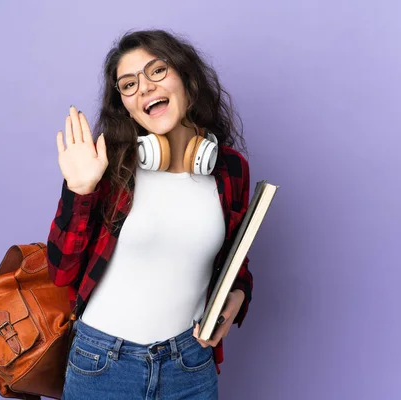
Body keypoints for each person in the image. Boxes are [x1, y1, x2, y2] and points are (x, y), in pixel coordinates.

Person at [47, 29, 253, 400]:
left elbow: (235, 262)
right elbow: (61, 272)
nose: (143, 87)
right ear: (124, 104)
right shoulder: (106, 166)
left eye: (157, 71)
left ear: (187, 79)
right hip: (102, 363)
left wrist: (238, 294)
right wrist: (80, 192)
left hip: (190, 364)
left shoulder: (231, 170)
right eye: (128, 84)